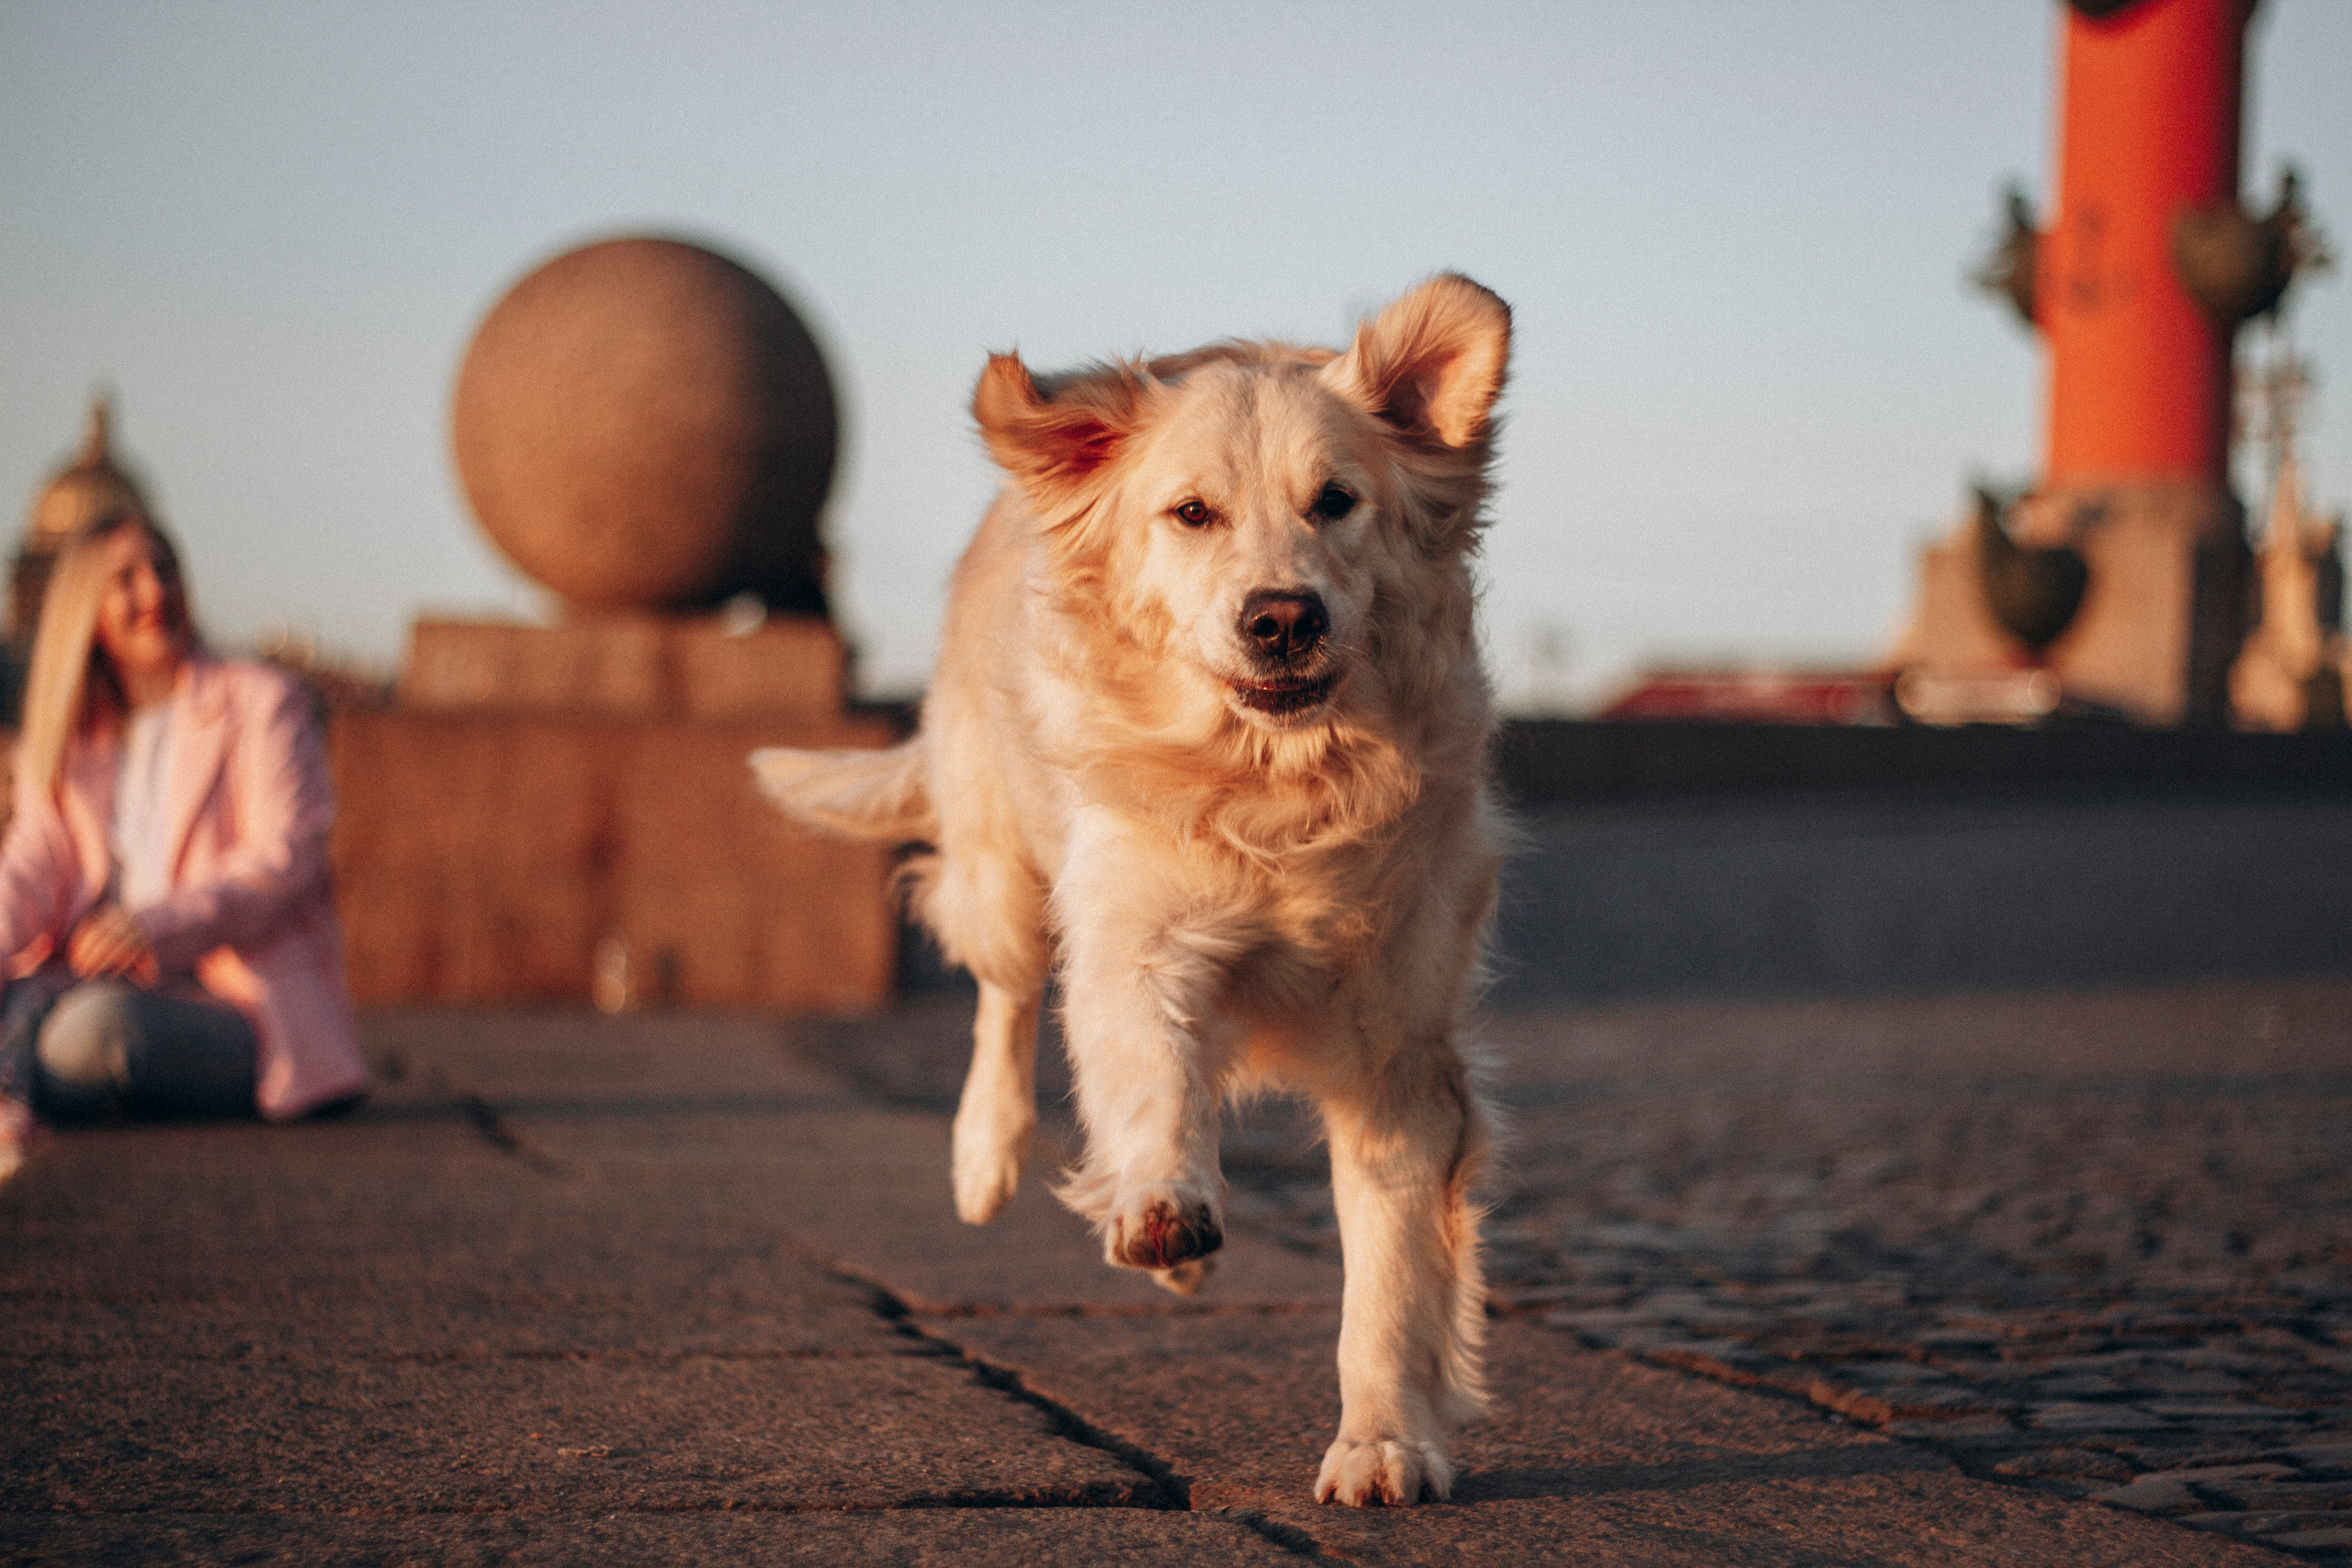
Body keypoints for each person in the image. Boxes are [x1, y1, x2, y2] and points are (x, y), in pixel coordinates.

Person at [0, 510, 367, 1179]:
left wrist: (150, 927)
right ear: (87, 611)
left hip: (237, 1006)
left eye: (164, 568)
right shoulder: (68, 739)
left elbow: (285, 861)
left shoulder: (263, 701)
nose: (154, 592)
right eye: (126, 579)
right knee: (38, 1009)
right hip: (72, 985)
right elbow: (26, 869)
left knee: (95, 1031)